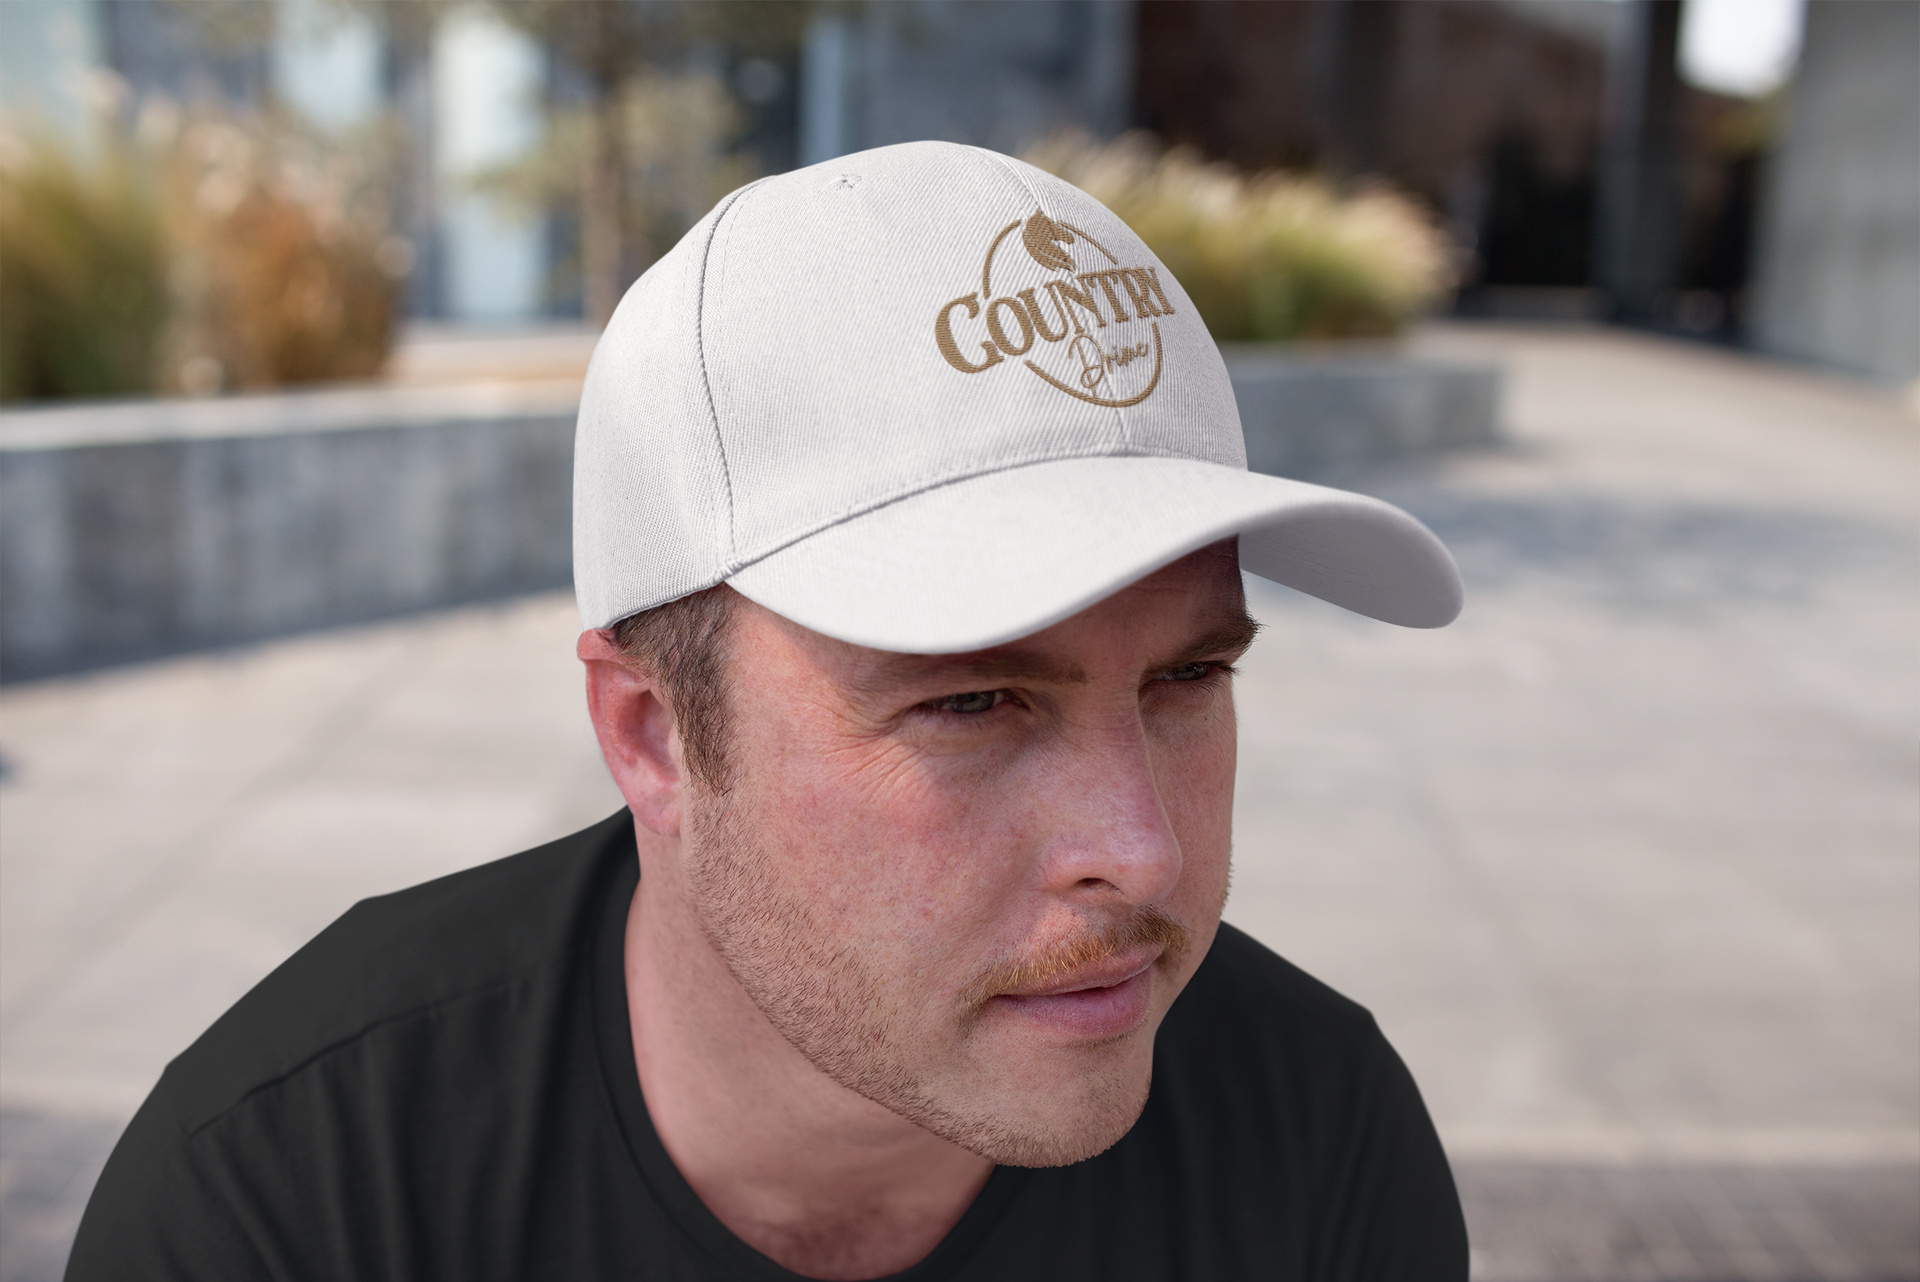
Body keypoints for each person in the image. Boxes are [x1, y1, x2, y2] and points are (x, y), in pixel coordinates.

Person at [68, 142, 1468, 1281]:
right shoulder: (293, 1203)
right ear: (651, 735)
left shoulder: (1321, 1140)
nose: (1143, 852)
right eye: (973, 702)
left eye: (1189, 678)